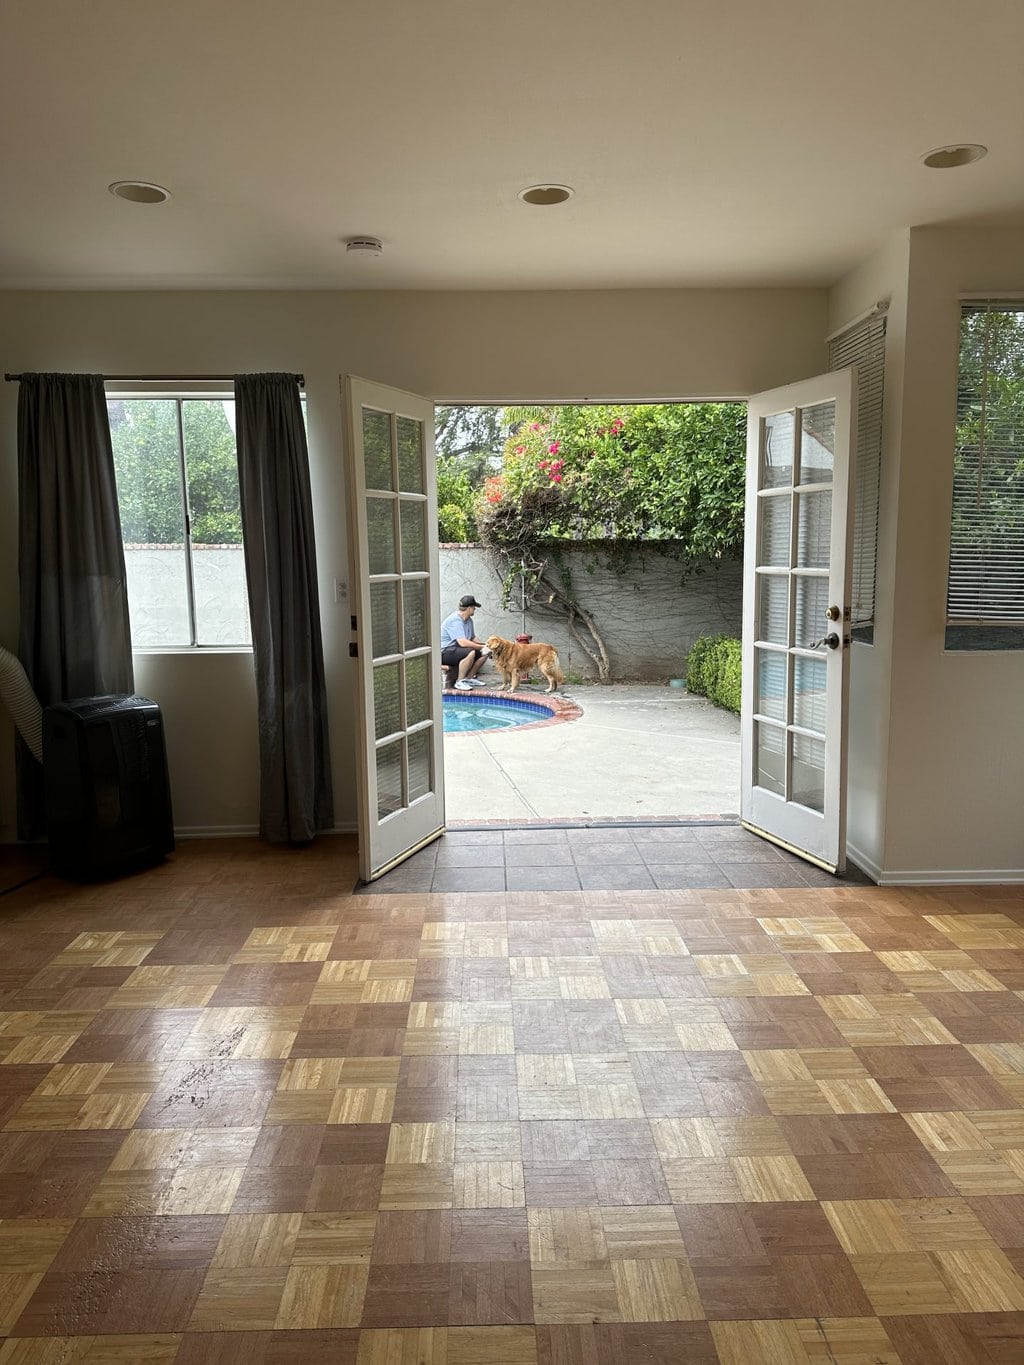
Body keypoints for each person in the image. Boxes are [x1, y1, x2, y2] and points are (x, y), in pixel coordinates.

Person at [440, 595, 491, 690]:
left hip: (455, 649)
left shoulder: (468, 620)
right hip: (444, 651)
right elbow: (463, 643)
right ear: (469, 608)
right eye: (474, 607)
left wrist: (485, 646)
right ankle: (459, 681)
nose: (475, 609)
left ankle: (469, 678)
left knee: (485, 653)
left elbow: (473, 637)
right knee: (471, 652)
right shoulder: (455, 620)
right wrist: (480, 647)